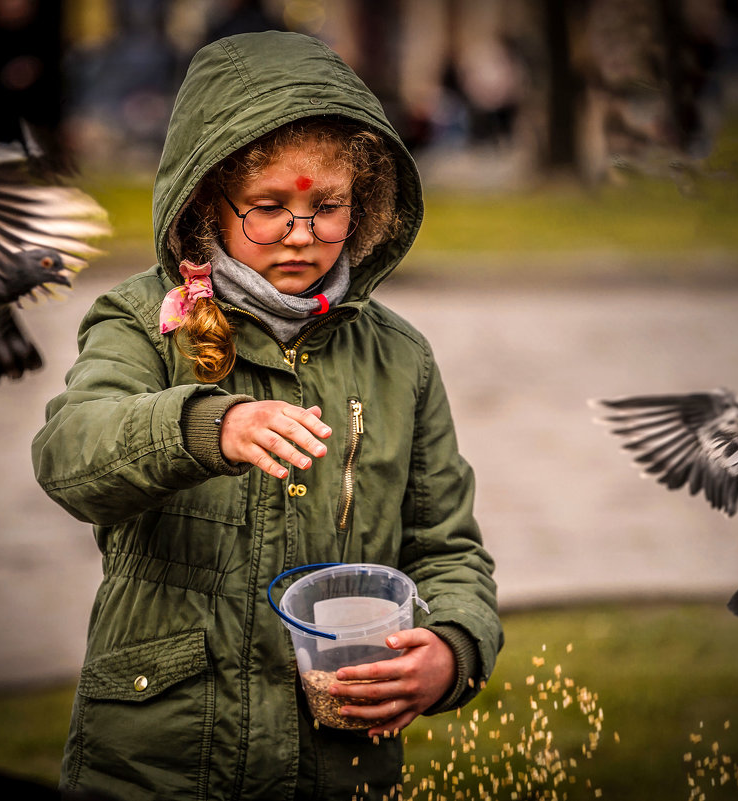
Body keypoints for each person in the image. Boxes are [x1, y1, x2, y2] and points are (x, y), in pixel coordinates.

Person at [31, 30, 502, 801]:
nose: (301, 233)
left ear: (367, 201)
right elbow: (68, 456)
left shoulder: (401, 359)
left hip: (337, 768)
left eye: (329, 206)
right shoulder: (142, 322)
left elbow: (448, 550)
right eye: (267, 208)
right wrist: (205, 426)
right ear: (206, 200)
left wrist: (451, 650)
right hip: (158, 764)